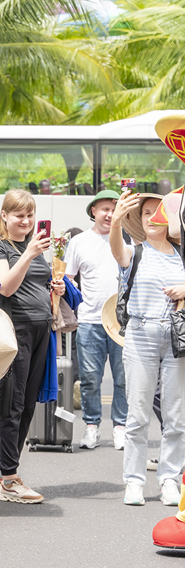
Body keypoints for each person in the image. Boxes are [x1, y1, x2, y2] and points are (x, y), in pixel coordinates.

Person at [0, 189, 65, 504]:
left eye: (30, 215)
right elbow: (6, 286)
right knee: (11, 405)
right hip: (14, 330)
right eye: (19, 215)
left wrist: (53, 287)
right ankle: (9, 478)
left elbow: (34, 283)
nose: (26, 221)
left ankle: (6, 475)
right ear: (4, 215)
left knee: (28, 404)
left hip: (42, 328)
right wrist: (29, 254)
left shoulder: (32, 247)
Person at [109, 190, 185, 506]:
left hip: (177, 338)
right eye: (147, 213)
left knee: (176, 417)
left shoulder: (182, 255)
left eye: (160, 212)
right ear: (139, 221)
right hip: (141, 336)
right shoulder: (134, 252)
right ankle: (134, 481)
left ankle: (169, 479)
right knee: (138, 415)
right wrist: (115, 221)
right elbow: (116, 250)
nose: (154, 217)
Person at [63, 190, 128, 451]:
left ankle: (120, 426)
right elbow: (67, 277)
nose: (110, 214)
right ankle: (92, 426)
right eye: (105, 209)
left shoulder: (128, 238)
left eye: (115, 209)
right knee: (90, 378)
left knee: (123, 378)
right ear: (93, 211)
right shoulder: (79, 242)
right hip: (89, 320)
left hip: (122, 320)